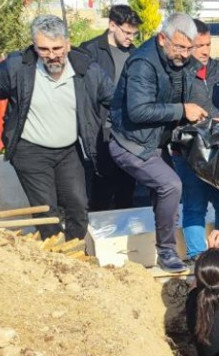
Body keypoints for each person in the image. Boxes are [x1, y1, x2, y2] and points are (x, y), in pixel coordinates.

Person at [109, 13, 209, 273]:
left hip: (155, 142)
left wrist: (211, 116)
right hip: (131, 144)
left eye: (189, 48)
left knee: (167, 190)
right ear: (163, 38)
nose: (185, 54)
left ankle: (167, 246)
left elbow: (195, 94)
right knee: (170, 185)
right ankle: (166, 251)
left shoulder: (181, 62)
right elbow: (138, 111)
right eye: (179, 47)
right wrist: (182, 110)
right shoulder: (143, 63)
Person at [0, 15, 114, 242]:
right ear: (34, 46)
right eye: (43, 49)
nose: (52, 55)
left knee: (78, 205)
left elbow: (117, 100)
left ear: (68, 44)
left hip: (68, 151)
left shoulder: (87, 71)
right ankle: (55, 253)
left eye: (57, 48)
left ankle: (75, 250)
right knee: (47, 211)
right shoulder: (17, 67)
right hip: (29, 151)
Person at [172, 19, 219, 261]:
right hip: (188, 151)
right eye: (199, 45)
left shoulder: (217, 68)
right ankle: (196, 256)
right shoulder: (177, 73)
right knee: (195, 203)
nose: (204, 50)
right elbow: (173, 113)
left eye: (208, 44)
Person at [78, 4, 141, 212]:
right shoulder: (90, 51)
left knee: (127, 187)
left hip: (128, 131)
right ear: (112, 25)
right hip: (101, 130)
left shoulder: (135, 54)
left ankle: (125, 228)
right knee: (101, 189)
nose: (131, 37)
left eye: (134, 33)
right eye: (127, 32)